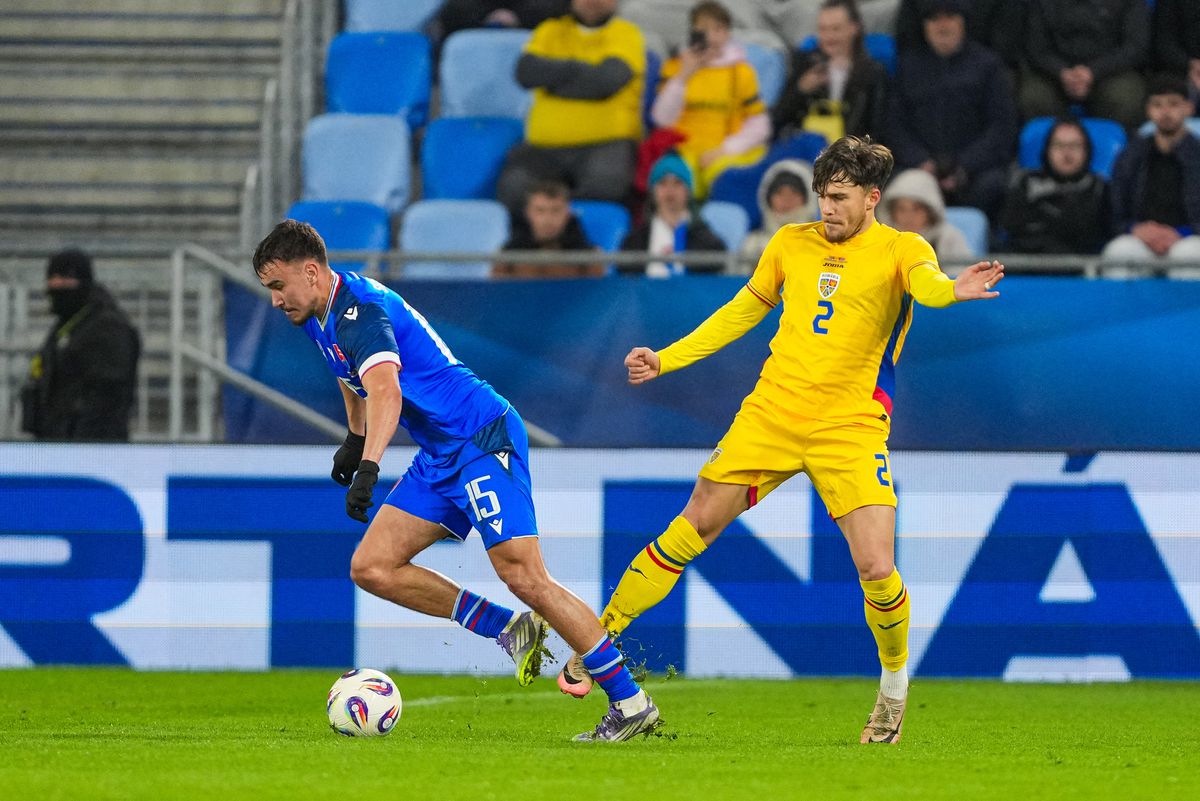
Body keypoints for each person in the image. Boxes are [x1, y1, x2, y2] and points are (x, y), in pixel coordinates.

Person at [556, 136, 1005, 745]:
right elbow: (741, 311)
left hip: (849, 426)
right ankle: (595, 642)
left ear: (873, 198)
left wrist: (954, 289)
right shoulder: (790, 243)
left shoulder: (902, 248)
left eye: (841, 198)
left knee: (875, 564)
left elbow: (925, 285)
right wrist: (667, 359)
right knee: (691, 526)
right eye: (824, 196)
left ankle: (893, 692)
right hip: (770, 414)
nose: (828, 208)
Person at [252, 220, 660, 742]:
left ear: (310, 272)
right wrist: (355, 440)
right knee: (373, 567)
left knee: (525, 576)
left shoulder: (361, 312)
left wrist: (371, 466)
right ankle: (511, 629)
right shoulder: (317, 312)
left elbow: (388, 393)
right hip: (442, 451)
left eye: (278, 285)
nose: (274, 300)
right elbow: (347, 373)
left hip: (480, 437)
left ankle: (630, 701)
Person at [496, 0, 645, 212]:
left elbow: (606, 82)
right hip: (542, 149)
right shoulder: (549, 30)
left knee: (606, 189)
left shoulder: (626, 33)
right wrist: (583, 74)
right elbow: (526, 72)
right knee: (514, 189)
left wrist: (553, 84)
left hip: (606, 144)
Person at [886, 0, 1015, 219]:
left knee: (994, 185)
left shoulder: (988, 66)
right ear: (924, 25)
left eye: (950, 17)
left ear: (962, 22)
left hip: (973, 173)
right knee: (893, 185)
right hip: (918, 168)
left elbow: (1001, 128)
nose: (942, 26)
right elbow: (893, 124)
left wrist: (964, 166)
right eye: (934, 19)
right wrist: (921, 163)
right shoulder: (908, 67)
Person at [649, 1, 771, 197]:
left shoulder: (742, 72)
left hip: (725, 154)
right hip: (683, 152)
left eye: (718, 29)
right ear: (693, 32)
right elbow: (662, 120)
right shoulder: (674, 67)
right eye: (704, 30)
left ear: (728, 34)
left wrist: (723, 151)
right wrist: (683, 76)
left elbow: (760, 125)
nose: (712, 37)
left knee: (725, 178)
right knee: (674, 176)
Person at [20, 248, 140, 442]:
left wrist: (82, 436)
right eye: (52, 278)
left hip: (90, 446)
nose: (55, 285)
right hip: (56, 441)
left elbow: (108, 396)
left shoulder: (108, 327)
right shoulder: (66, 326)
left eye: (64, 278)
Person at [1102, 76, 1200, 266]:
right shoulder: (1131, 156)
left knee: (1189, 255)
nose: (1165, 112)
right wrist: (1135, 229)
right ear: (1148, 110)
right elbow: (1114, 210)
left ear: (1188, 108)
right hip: (1141, 238)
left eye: (1173, 104)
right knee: (1119, 252)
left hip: (1190, 238)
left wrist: (1181, 233)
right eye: (1158, 105)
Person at [1021, 0, 1150, 133]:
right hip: (1053, 73)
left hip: (1111, 71)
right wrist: (1062, 72)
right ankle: (1053, 149)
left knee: (1125, 98)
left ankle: (1122, 152)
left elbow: (1135, 46)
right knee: (1034, 97)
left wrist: (1093, 71)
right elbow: (1036, 48)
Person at [771, 0, 888, 144]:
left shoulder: (873, 72)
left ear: (854, 28)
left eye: (836, 29)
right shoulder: (804, 63)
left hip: (849, 155)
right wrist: (800, 90)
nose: (829, 36)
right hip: (803, 150)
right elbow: (776, 120)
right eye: (823, 29)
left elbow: (879, 128)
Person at [1000, 118, 1110, 255]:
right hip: (1027, 265)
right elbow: (1014, 228)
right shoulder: (1025, 182)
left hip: (1081, 268)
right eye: (1059, 145)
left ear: (1087, 151)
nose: (1067, 153)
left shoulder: (1100, 188)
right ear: (1047, 150)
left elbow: (1093, 233)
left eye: (1075, 146)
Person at [618, 152, 727, 276]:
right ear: (653, 192)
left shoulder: (709, 243)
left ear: (688, 191)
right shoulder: (633, 242)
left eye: (677, 183)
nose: (670, 191)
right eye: (663, 183)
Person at [493, 179, 605, 278]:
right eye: (540, 210)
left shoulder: (590, 257)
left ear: (568, 214)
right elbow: (498, 297)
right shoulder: (507, 256)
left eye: (556, 210)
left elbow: (596, 299)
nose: (547, 220)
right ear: (528, 213)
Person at [878, 168, 975, 261]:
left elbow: (963, 274)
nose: (908, 217)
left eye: (916, 209)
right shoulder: (882, 241)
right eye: (901, 209)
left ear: (930, 212)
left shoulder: (948, 238)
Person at [737, 158, 818, 269]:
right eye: (779, 193)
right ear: (768, 198)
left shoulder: (820, 243)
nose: (786, 200)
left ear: (808, 197)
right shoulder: (752, 245)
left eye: (794, 193)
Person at [1151, 0, 1200, 104]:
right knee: (1178, 94)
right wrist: (1190, 65)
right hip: (1180, 70)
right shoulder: (1170, 3)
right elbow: (1164, 42)